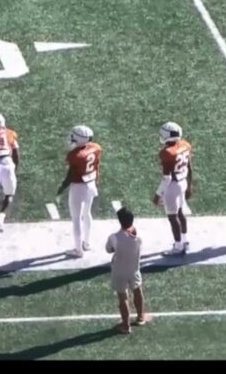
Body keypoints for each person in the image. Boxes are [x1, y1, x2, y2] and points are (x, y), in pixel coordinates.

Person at [56, 125, 101, 258]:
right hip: (91, 183)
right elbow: (97, 165)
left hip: (79, 187)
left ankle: (78, 250)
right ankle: (86, 243)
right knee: (87, 214)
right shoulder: (96, 148)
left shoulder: (74, 155)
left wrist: (62, 187)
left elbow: (70, 175)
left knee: (76, 219)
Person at [106, 208, 149, 334]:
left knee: (123, 297)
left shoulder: (114, 237)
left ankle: (126, 325)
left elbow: (109, 249)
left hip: (119, 270)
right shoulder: (139, 237)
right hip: (134, 268)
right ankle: (140, 317)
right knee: (137, 291)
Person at [153, 121, 193, 256]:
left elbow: (167, 178)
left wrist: (158, 194)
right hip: (183, 181)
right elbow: (189, 167)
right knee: (180, 213)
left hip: (173, 186)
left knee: (172, 216)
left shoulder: (167, 153)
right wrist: (190, 185)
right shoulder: (185, 145)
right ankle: (185, 241)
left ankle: (178, 245)